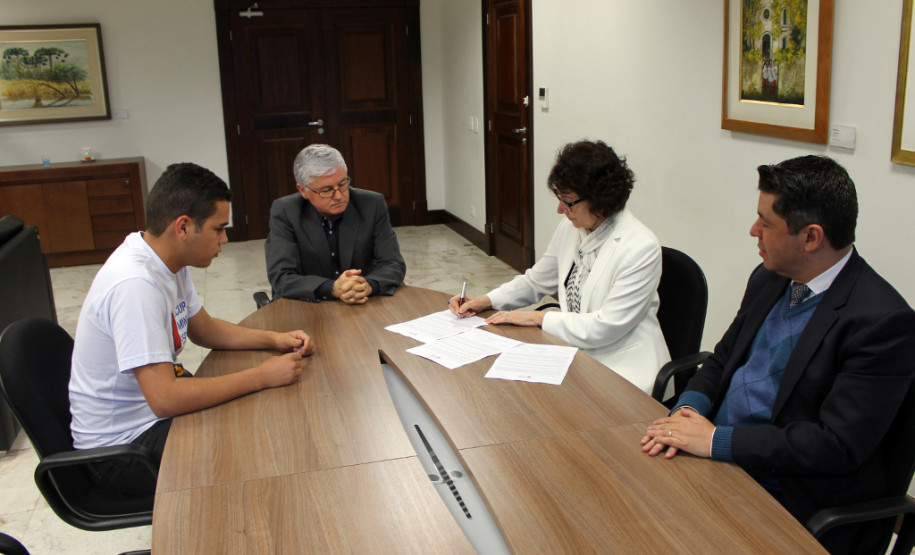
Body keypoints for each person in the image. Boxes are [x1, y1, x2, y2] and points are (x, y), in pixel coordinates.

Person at [641, 155, 915, 554]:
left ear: (811, 237)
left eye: (766, 223)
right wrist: (689, 411)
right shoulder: (770, 278)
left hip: (786, 495)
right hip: (716, 460)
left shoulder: (882, 322)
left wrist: (716, 440)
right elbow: (721, 359)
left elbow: (833, 445)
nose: (753, 231)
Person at [69, 163, 314, 495]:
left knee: (256, 416)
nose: (225, 239)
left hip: (146, 423)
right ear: (183, 227)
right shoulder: (135, 286)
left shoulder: (166, 258)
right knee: (257, 447)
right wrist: (262, 375)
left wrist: (276, 339)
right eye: (218, 229)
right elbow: (166, 399)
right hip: (122, 452)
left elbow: (205, 329)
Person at [450, 140, 670, 393]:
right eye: (560, 198)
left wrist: (539, 317)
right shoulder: (572, 228)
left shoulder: (640, 247)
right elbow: (536, 281)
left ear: (600, 199)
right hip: (574, 353)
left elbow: (606, 327)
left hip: (622, 367)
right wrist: (486, 301)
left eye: (568, 201)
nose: (560, 209)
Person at [265, 144, 406, 304]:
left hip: (362, 303)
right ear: (303, 190)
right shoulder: (285, 211)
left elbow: (393, 264)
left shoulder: (372, 204)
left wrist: (368, 285)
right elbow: (281, 278)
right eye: (326, 190)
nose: (338, 195)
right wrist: (332, 288)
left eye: (342, 184)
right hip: (310, 305)